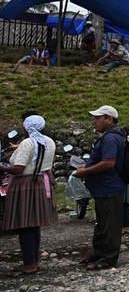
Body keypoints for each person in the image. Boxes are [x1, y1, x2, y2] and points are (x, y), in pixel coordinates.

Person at [0, 114, 58, 277]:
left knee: (25, 225)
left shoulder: (27, 143)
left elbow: (18, 169)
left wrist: (2, 168)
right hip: (40, 182)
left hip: (24, 184)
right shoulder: (50, 142)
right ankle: (33, 261)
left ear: (27, 127)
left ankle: (29, 264)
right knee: (34, 224)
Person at [74, 105, 126, 270]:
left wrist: (84, 171)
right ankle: (99, 254)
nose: (94, 122)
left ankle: (108, 258)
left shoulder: (111, 138)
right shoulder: (111, 136)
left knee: (109, 224)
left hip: (109, 188)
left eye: (98, 118)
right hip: (104, 188)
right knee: (103, 223)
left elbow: (109, 163)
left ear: (109, 119)